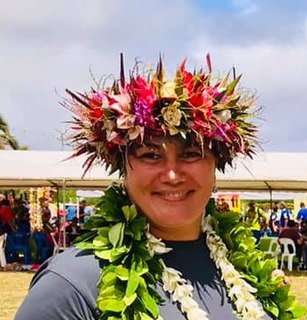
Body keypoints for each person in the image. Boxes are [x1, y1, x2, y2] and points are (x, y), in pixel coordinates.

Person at [16, 55, 299, 320]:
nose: (173, 175)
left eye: (191, 153)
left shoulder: (250, 270)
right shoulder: (72, 286)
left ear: (217, 163)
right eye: (150, 155)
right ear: (122, 165)